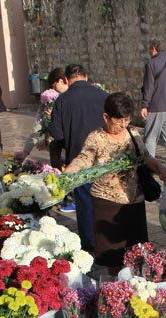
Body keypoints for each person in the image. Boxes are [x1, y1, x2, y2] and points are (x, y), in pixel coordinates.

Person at [64, 92, 166, 274]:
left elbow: (145, 157)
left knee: (137, 255)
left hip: (133, 202)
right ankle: (115, 290)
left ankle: (137, 288)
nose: (123, 125)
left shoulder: (132, 133)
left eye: (126, 120)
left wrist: (160, 168)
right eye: (118, 120)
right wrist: (70, 171)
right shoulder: (96, 137)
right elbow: (84, 158)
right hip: (106, 203)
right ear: (106, 117)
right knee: (113, 257)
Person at [49, 63, 109, 248]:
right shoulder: (103, 96)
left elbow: (57, 135)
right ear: (86, 76)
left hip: (78, 157)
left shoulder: (62, 101)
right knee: (106, 198)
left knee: (84, 202)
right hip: (104, 157)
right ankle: (108, 237)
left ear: (66, 80)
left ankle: (90, 242)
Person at [141, 39, 166, 179]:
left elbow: (149, 86)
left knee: (151, 139)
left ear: (153, 49)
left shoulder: (151, 64)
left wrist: (145, 104)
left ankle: (151, 167)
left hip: (156, 106)